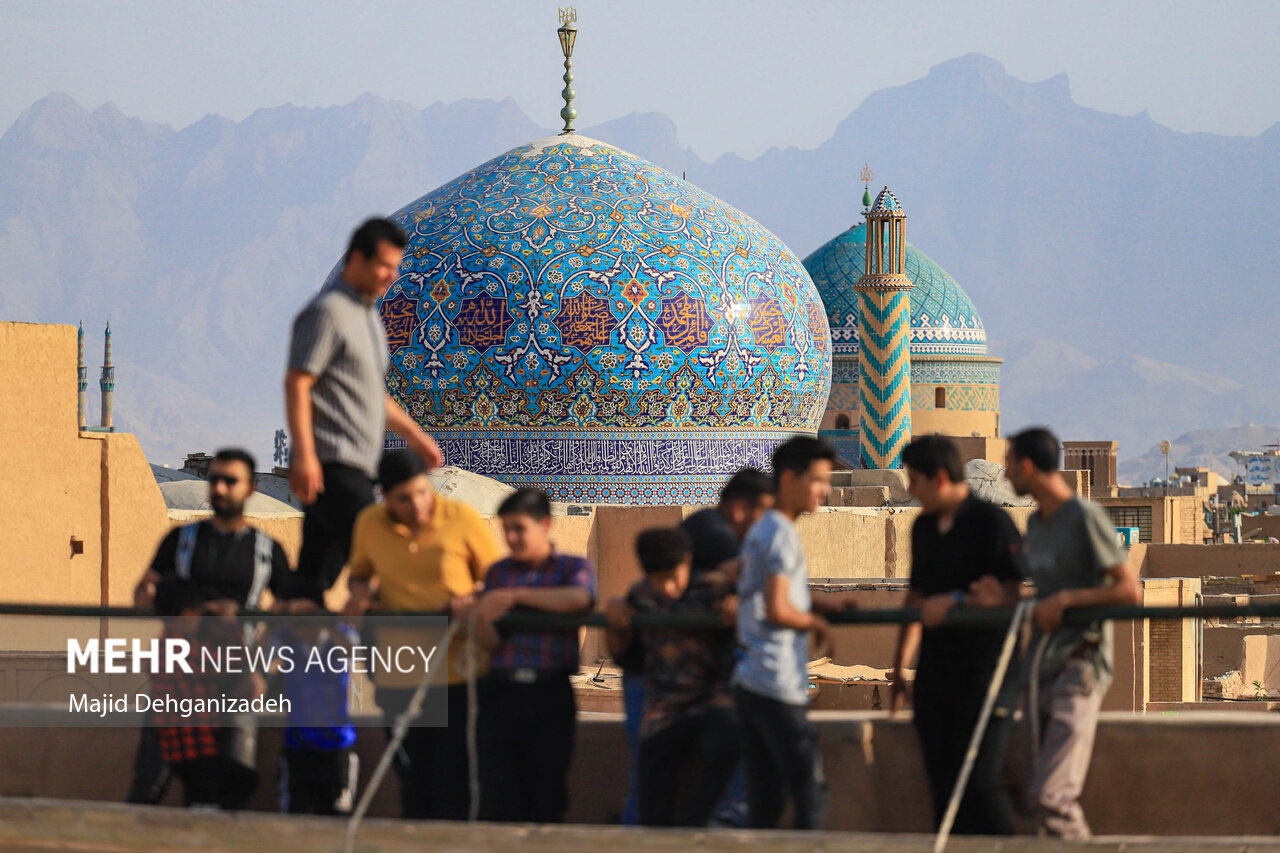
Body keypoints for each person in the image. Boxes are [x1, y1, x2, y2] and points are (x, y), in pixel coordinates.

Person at [129, 447, 293, 806]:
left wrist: (262, 670)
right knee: (150, 784)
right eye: (215, 479)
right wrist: (178, 605)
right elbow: (143, 593)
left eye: (230, 481)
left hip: (237, 680)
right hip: (180, 681)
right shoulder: (181, 541)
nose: (219, 488)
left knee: (227, 788)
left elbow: (287, 618)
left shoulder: (267, 551)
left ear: (250, 488)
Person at [286, 217, 443, 591]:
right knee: (390, 562)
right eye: (384, 266)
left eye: (395, 268)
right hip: (336, 465)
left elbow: (374, 395)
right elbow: (299, 382)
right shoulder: (328, 313)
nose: (391, 276)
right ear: (357, 259)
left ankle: (286, 643)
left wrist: (417, 438)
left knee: (313, 579)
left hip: (358, 464)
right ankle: (405, 648)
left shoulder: (368, 318)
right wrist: (304, 454)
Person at [343, 449, 499, 820]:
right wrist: (360, 593)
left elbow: (495, 578)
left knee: (455, 779)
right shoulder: (369, 523)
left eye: (422, 494)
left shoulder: (460, 518)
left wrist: (470, 598)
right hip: (400, 674)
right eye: (404, 499)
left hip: (458, 673)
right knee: (413, 777)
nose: (417, 506)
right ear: (384, 496)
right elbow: (360, 572)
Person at [1004, 427, 1140, 840]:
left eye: (1009, 463)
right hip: (1041, 669)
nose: (1005, 471)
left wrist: (1065, 602)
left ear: (1027, 466)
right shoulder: (1036, 524)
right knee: (1034, 798)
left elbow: (1128, 589)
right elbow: (1032, 584)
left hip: (1079, 666)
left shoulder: (1084, 516)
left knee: (1052, 796)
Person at [619, 467, 773, 826]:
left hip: (676, 686)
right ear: (739, 509)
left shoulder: (703, 537)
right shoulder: (714, 533)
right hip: (661, 685)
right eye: (762, 512)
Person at [890, 435, 1025, 836]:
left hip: (986, 677)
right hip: (937, 677)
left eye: (915, 480)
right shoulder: (924, 528)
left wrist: (957, 601)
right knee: (944, 789)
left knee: (981, 785)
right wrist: (899, 667)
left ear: (940, 477)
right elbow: (916, 600)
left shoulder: (991, 523)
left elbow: (1012, 595)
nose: (910, 490)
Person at [733, 436, 858, 830]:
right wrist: (816, 623)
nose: (826, 490)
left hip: (752, 680)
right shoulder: (781, 533)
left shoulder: (765, 528)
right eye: (819, 480)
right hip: (776, 683)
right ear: (788, 479)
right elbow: (778, 607)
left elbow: (775, 592)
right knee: (809, 793)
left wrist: (822, 604)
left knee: (766, 798)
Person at [472, 488, 595, 823]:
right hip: (500, 692)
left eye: (519, 529)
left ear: (545, 525)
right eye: (506, 529)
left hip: (548, 692)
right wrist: (481, 616)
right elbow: (488, 642)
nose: (511, 538)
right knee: (497, 792)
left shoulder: (572, 568)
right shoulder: (497, 572)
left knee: (546, 792)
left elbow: (579, 599)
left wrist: (516, 597)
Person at [606, 527, 740, 827]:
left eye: (672, 576)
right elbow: (625, 658)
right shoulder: (639, 595)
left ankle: (696, 827)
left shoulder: (716, 589)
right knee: (652, 792)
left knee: (727, 741)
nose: (666, 588)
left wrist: (738, 618)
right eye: (657, 579)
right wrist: (614, 624)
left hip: (711, 700)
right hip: (664, 708)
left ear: (688, 561)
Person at [148, 576, 259, 810]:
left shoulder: (170, 643)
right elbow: (230, 663)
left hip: (185, 747)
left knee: (204, 796)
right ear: (187, 613)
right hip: (195, 746)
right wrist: (230, 624)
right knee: (237, 785)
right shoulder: (182, 648)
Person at [266, 577, 359, 816]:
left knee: (337, 817)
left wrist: (324, 620)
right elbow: (260, 660)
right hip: (298, 747)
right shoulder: (286, 639)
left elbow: (351, 649)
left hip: (337, 745)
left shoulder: (336, 637)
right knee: (294, 816)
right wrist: (273, 622)